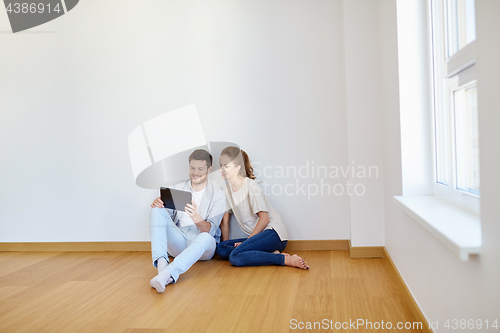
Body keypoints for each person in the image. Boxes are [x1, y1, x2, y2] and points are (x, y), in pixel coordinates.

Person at [216, 146, 309, 269]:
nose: (221, 169)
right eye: (220, 165)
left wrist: (247, 242)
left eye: (225, 166)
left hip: (274, 234)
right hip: (256, 238)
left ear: (238, 167)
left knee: (235, 257)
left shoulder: (251, 186)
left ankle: (284, 259)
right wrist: (226, 244)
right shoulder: (226, 190)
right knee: (221, 248)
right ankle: (269, 252)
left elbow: (265, 219)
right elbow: (225, 222)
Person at [149, 149, 226, 293]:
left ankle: (168, 274)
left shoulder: (218, 195)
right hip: (179, 238)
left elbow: (210, 230)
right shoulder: (177, 188)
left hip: (201, 243)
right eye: (192, 168)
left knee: (205, 237)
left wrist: (195, 217)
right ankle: (161, 265)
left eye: (200, 169)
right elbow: (164, 218)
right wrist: (159, 205)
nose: (195, 172)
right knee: (155, 209)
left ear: (209, 169)